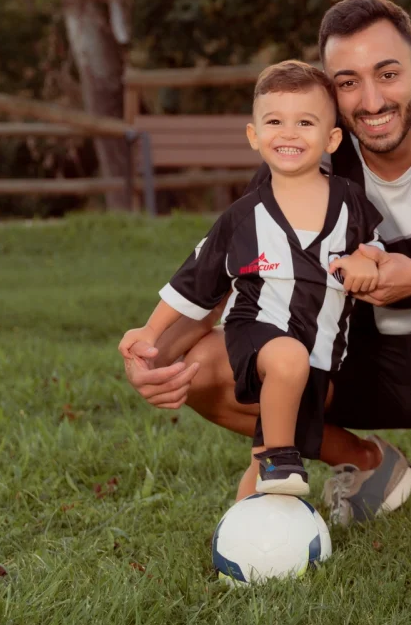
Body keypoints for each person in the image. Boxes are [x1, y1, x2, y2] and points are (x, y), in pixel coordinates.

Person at [120, 0, 411, 539]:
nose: (372, 99)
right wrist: (154, 356)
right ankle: (365, 463)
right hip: (341, 358)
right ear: (330, 92)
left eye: (388, 74)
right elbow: (218, 287)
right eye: (348, 82)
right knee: (204, 368)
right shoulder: (304, 157)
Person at [118, 60, 382, 500]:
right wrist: (149, 331)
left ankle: (245, 518)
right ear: (254, 135)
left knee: (270, 436)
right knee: (285, 361)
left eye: (305, 122)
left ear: (332, 139)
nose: (289, 133)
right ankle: (279, 460)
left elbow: (375, 247)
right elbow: (193, 281)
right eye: (275, 122)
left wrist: (368, 261)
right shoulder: (243, 218)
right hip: (256, 332)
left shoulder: (350, 203)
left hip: (321, 354)